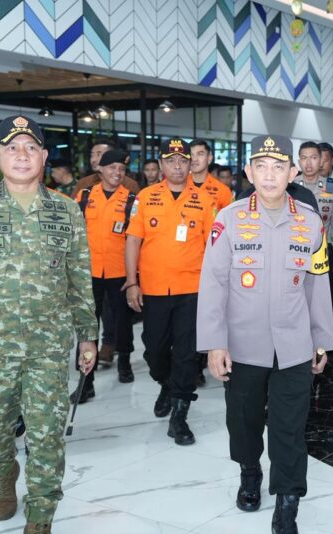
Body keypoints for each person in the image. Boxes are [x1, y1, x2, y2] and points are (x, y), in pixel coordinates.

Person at [0, 115, 97, 534]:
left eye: (30, 148)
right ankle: (3, 474)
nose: (22, 155)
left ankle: (41, 513)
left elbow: (79, 278)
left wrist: (88, 335)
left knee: (47, 434)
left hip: (49, 346)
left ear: (43, 157)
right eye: (12, 148)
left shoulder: (66, 210)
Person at [197, 134, 333, 534]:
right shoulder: (229, 219)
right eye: (261, 167)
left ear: (292, 172)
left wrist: (322, 338)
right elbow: (213, 283)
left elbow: (317, 285)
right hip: (243, 345)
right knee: (244, 420)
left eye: (278, 167)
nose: (270, 175)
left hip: (294, 345)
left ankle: (288, 502)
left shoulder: (310, 221)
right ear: (249, 172)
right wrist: (215, 343)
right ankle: (249, 470)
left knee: (291, 427)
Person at [124, 138, 216, 445]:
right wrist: (132, 282)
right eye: (171, 160)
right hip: (154, 289)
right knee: (154, 351)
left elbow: (214, 246)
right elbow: (133, 240)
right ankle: (166, 383)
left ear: (191, 164)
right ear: (161, 164)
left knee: (187, 353)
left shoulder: (204, 200)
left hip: (193, 290)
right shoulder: (146, 197)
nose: (177, 166)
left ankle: (179, 416)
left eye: (183, 160)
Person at [73, 149, 136, 391]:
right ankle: (86, 380)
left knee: (123, 322)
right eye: (112, 168)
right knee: (88, 323)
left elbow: (136, 238)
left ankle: (125, 363)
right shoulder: (85, 195)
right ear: (100, 169)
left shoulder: (131, 199)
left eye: (121, 169)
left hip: (119, 270)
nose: (117, 173)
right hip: (89, 271)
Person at [297, 142, 333, 312]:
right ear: (299, 161)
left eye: (313, 158)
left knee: (325, 305)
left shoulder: (332, 188)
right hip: (296, 251)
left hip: (324, 252)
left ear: (321, 161)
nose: (308, 163)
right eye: (304, 158)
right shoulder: (290, 187)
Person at [72, 138, 140, 197]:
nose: (93, 160)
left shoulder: (130, 185)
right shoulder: (83, 183)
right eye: (92, 155)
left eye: (99, 154)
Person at [189, 139, 233, 212]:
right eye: (191, 155)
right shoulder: (178, 186)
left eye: (200, 154)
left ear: (209, 158)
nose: (194, 159)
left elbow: (230, 217)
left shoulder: (223, 191)